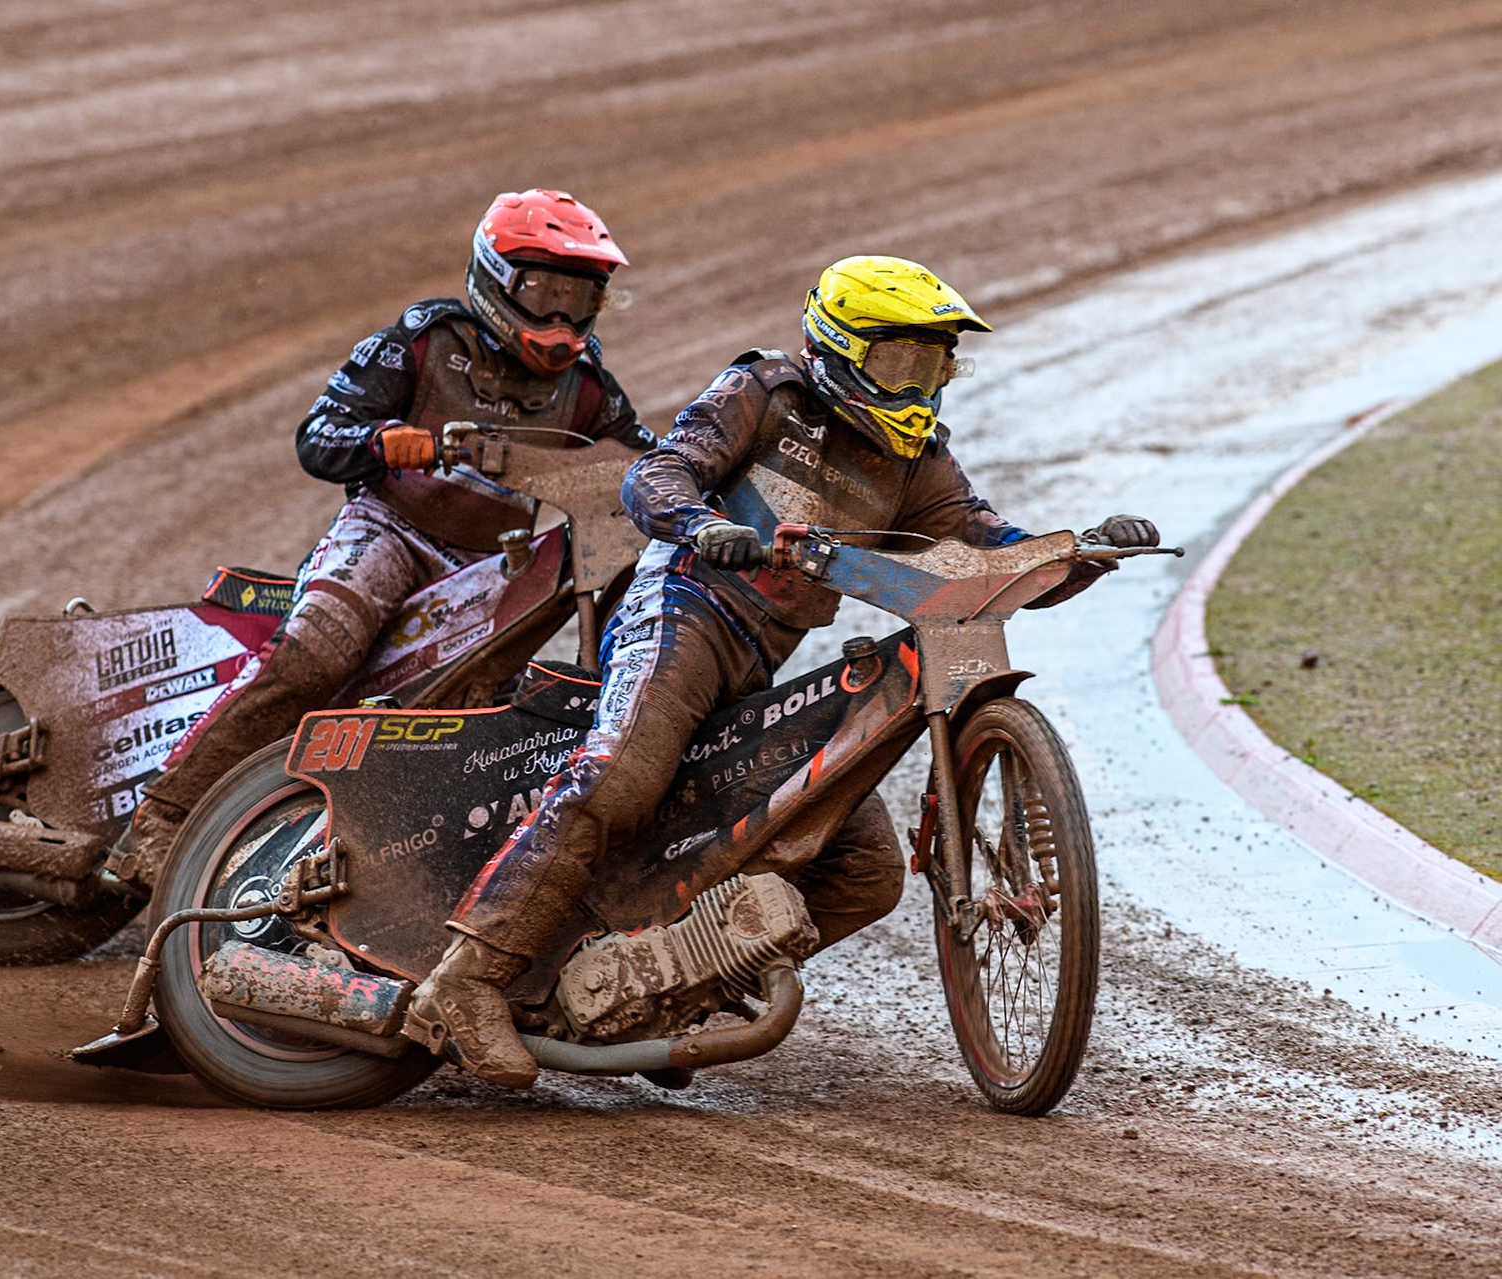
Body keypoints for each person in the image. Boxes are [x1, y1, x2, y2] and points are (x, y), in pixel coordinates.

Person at [405, 255, 1160, 1087]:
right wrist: (699, 524)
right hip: (684, 609)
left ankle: (675, 986)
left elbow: (985, 547)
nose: (915, 385)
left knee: (866, 868)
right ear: (840, 346)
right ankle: (465, 980)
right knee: (622, 777)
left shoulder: (918, 462)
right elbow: (654, 473)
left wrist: (1079, 552)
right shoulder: (764, 395)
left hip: (762, 659)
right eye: (897, 362)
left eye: (932, 364)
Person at [106, 190, 654, 889]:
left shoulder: (589, 389)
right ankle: (160, 815)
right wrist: (383, 442)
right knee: (314, 658)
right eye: (542, 291)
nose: (558, 317)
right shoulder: (423, 341)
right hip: (387, 531)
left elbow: (649, 465)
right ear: (495, 279)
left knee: (480, 720)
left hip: (486, 567)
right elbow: (317, 435)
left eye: (578, 300)